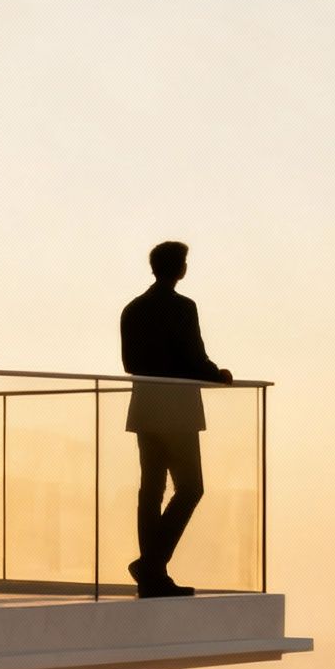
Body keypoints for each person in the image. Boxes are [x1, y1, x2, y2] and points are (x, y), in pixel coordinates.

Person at [121, 240, 232, 598]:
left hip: (146, 408)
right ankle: (151, 566)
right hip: (178, 412)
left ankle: (152, 573)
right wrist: (218, 375)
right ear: (179, 268)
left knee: (151, 490)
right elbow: (193, 357)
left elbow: (131, 365)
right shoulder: (183, 307)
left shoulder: (133, 309)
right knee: (190, 488)